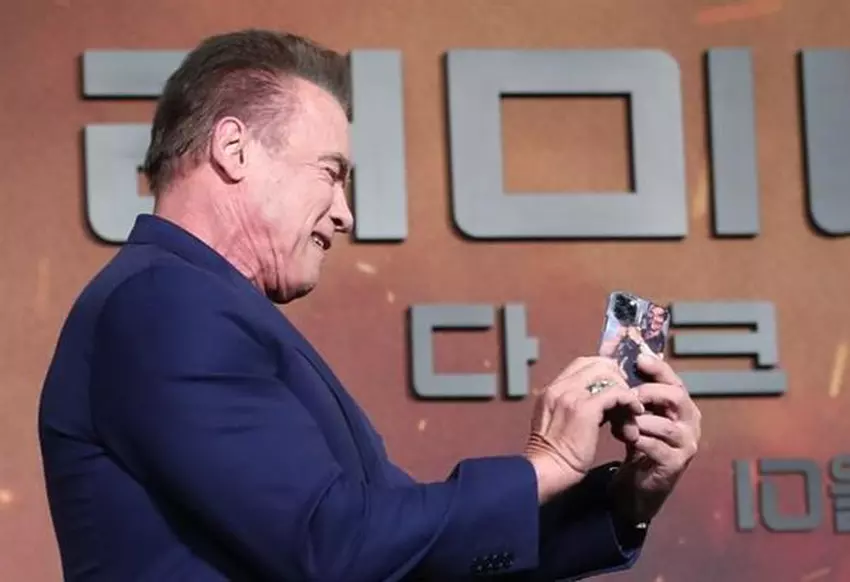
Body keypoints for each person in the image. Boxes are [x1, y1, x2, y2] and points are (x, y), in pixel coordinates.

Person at [38, 29, 701, 581]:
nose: (345, 213)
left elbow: (406, 554)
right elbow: (332, 546)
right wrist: (545, 464)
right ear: (234, 149)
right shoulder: (164, 304)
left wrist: (624, 501)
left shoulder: (192, 304)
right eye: (331, 173)